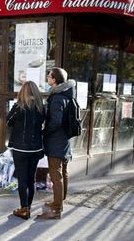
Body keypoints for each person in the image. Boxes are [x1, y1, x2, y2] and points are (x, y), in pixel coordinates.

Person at [37, 67, 75, 220]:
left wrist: (45, 132)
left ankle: (57, 208)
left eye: (49, 75)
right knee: (63, 171)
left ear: (55, 79)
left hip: (56, 140)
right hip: (64, 139)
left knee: (55, 174)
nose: (47, 77)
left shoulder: (58, 97)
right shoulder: (67, 94)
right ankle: (60, 200)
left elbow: (56, 121)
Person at [7, 81, 45, 220]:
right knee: (31, 179)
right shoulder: (41, 108)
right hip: (35, 148)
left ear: (23, 92)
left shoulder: (18, 107)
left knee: (22, 179)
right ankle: (27, 208)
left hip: (20, 148)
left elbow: (8, 121)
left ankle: (24, 209)